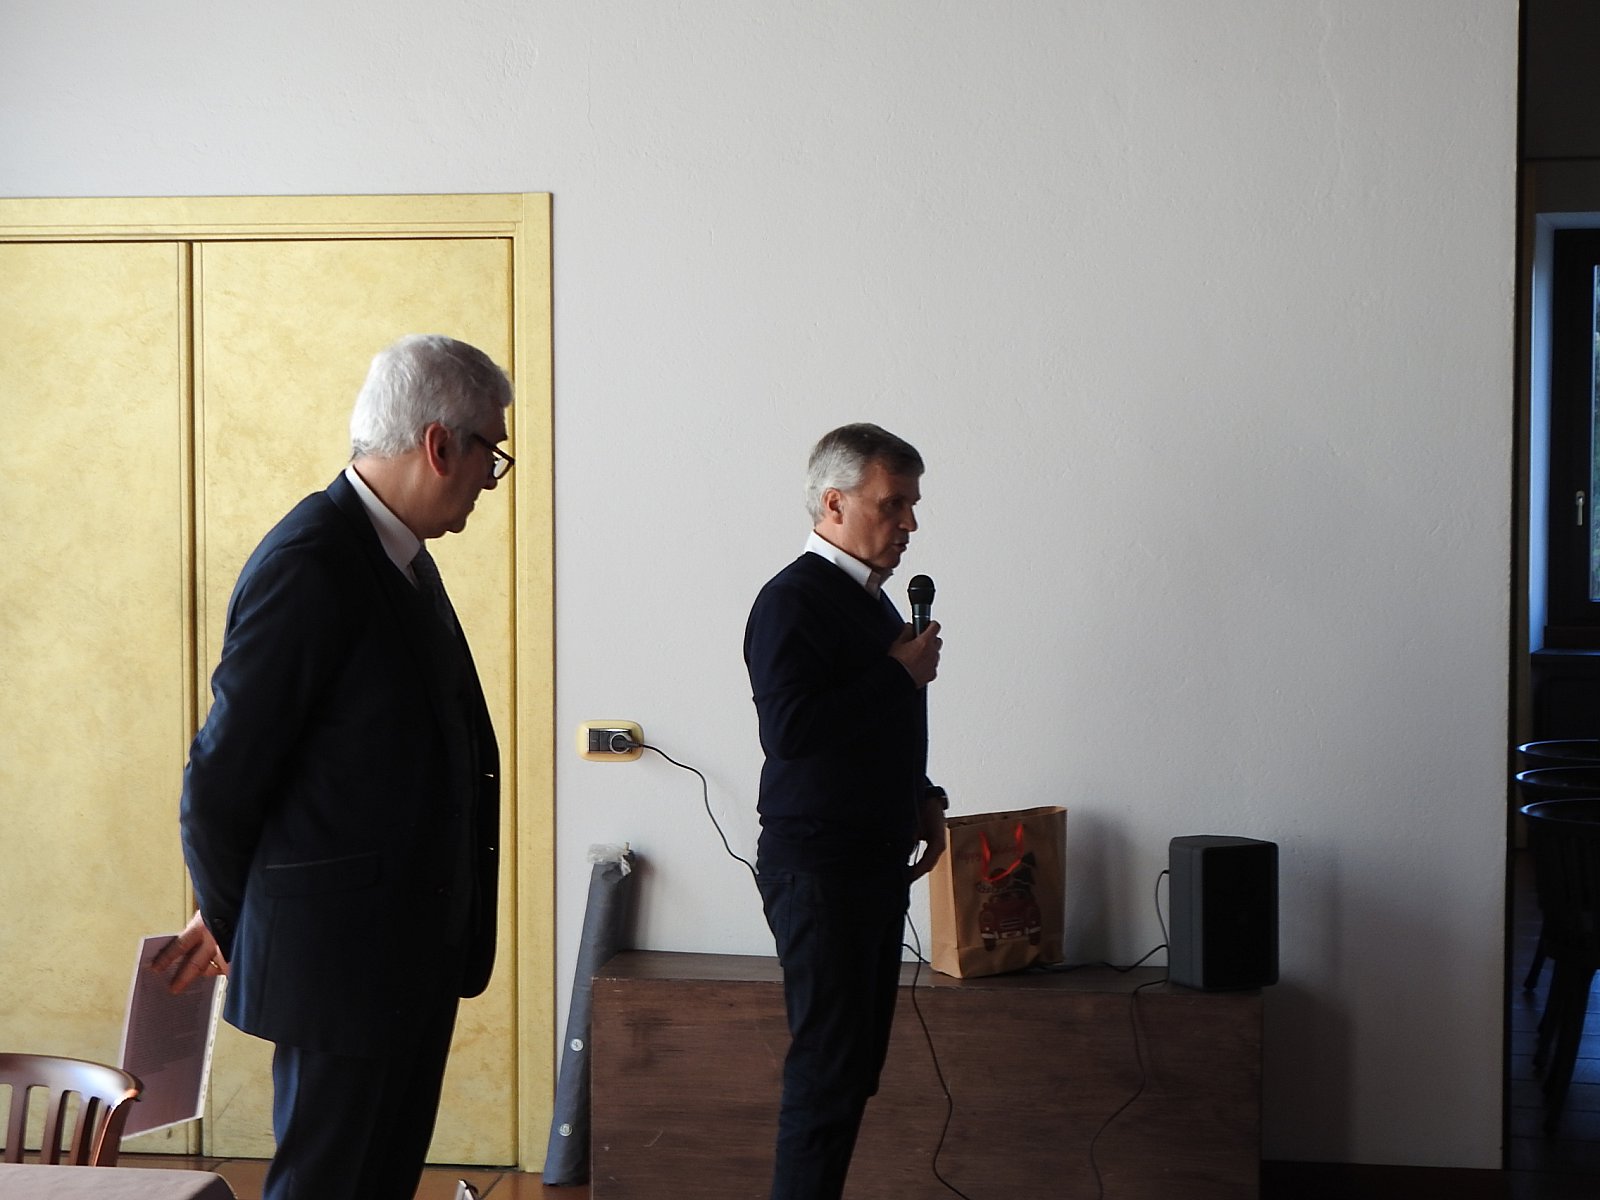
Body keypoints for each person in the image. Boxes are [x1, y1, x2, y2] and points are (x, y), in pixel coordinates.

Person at [155, 333, 513, 1200]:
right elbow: (218, 784)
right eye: (490, 455)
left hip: (406, 958)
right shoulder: (312, 562)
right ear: (439, 445)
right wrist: (239, 923)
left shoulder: (400, 555)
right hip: (340, 971)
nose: (491, 480)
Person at [743, 422, 947, 1200]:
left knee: (852, 1069)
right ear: (833, 503)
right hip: (820, 870)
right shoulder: (792, 600)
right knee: (828, 1074)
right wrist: (898, 675)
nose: (910, 523)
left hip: (868, 864)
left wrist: (923, 797)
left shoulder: (871, 604)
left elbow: (869, 734)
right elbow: (790, 732)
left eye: (913, 505)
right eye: (893, 504)